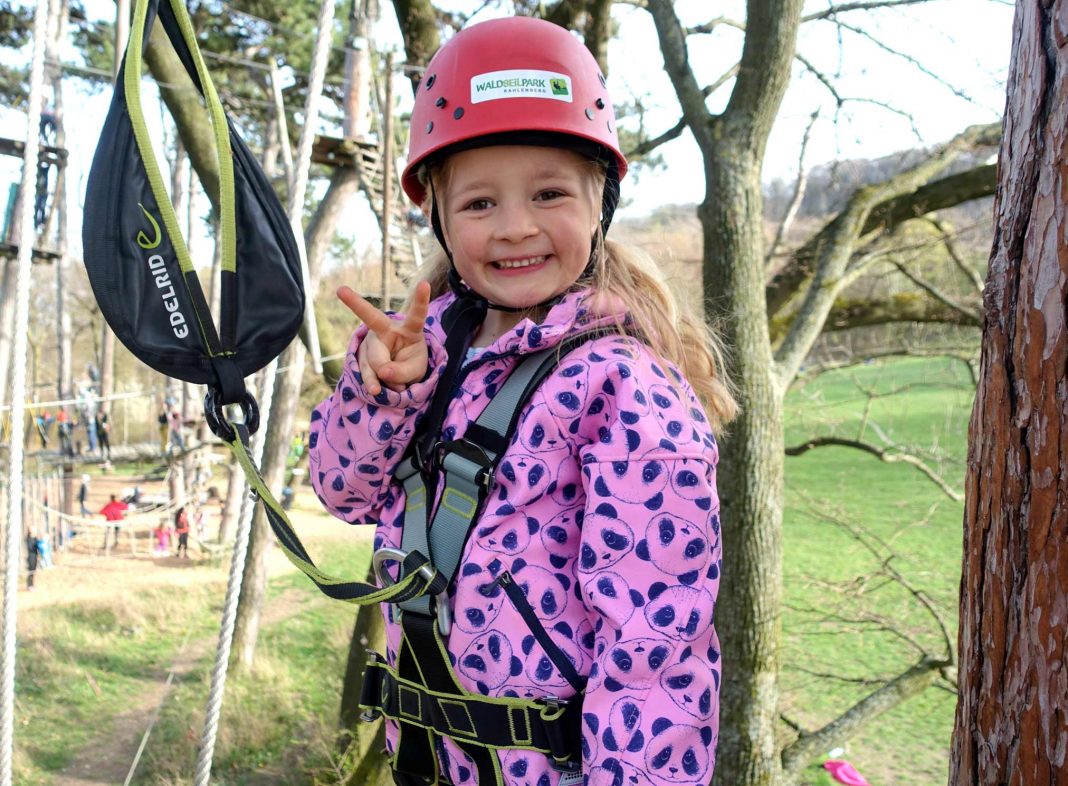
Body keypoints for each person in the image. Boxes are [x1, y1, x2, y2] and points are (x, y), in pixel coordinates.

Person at [308, 17, 736, 786]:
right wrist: (385, 397)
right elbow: (342, 492)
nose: (515, 228)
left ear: (599, 198)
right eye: (478, 204)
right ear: (436, 211)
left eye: (549, 193)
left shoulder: (624, 389)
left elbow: (654, 650)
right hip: (427, 759)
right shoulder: (423, 352)